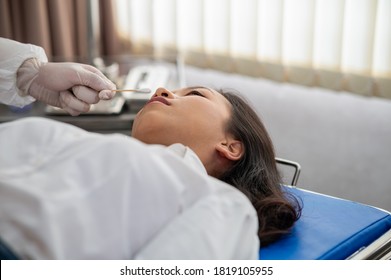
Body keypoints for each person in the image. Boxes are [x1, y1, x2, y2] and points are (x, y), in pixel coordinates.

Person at [0, 38, 301, 259]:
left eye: (195, 94)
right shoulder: (97, 148)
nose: (161, 90)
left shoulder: (226, 208)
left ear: (230, 146)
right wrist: (31, 73)